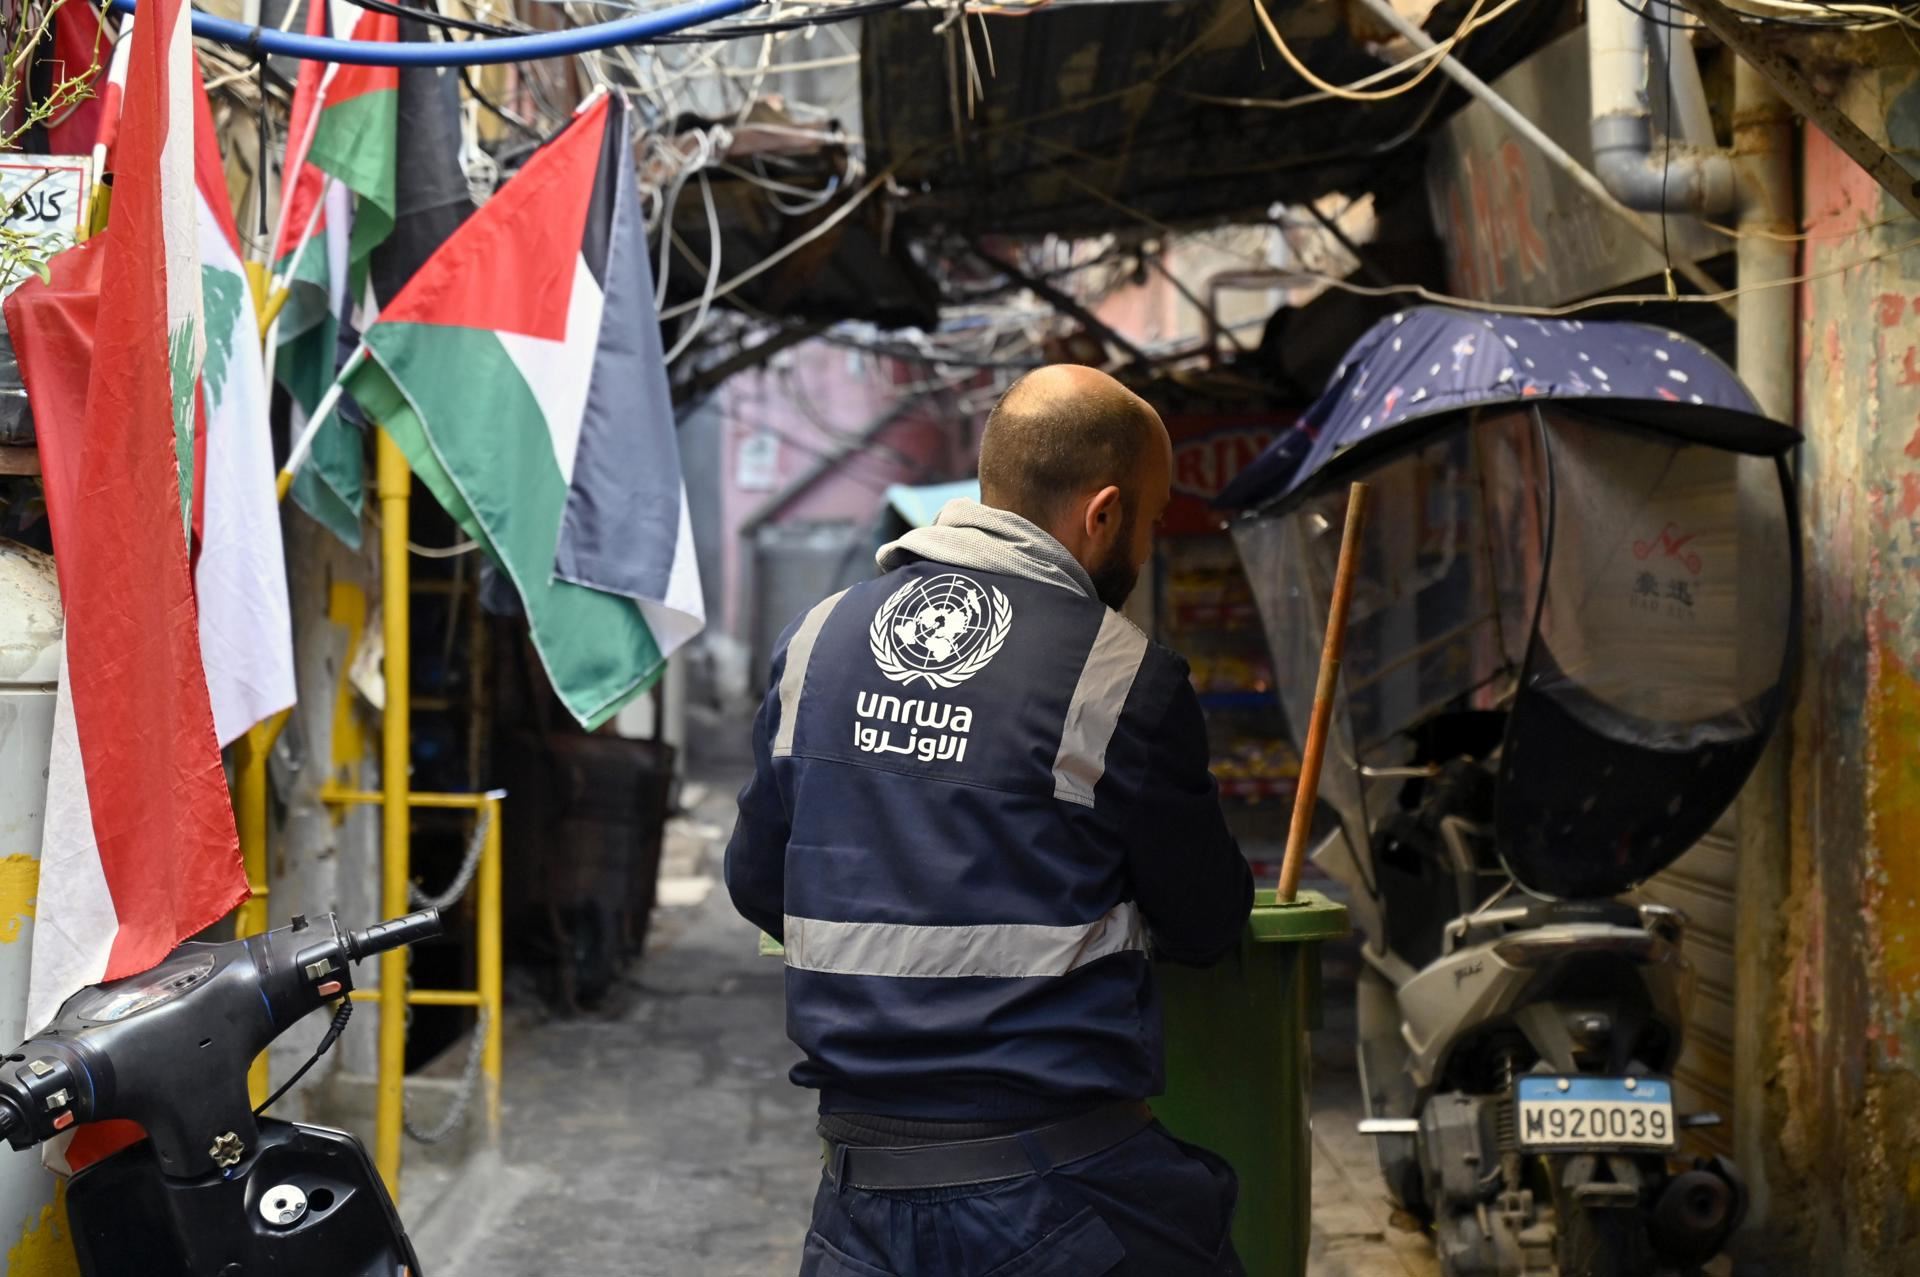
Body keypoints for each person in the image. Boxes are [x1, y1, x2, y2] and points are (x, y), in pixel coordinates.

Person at [726, 364, 1255, 1276]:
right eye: (1153, 518)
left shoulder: (816, 639)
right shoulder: (1121, 674)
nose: (1149, 542)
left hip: (860, 1204)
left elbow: (755, 881)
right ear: (1103, 514)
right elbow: (1208, 921)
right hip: (1065, 1196)